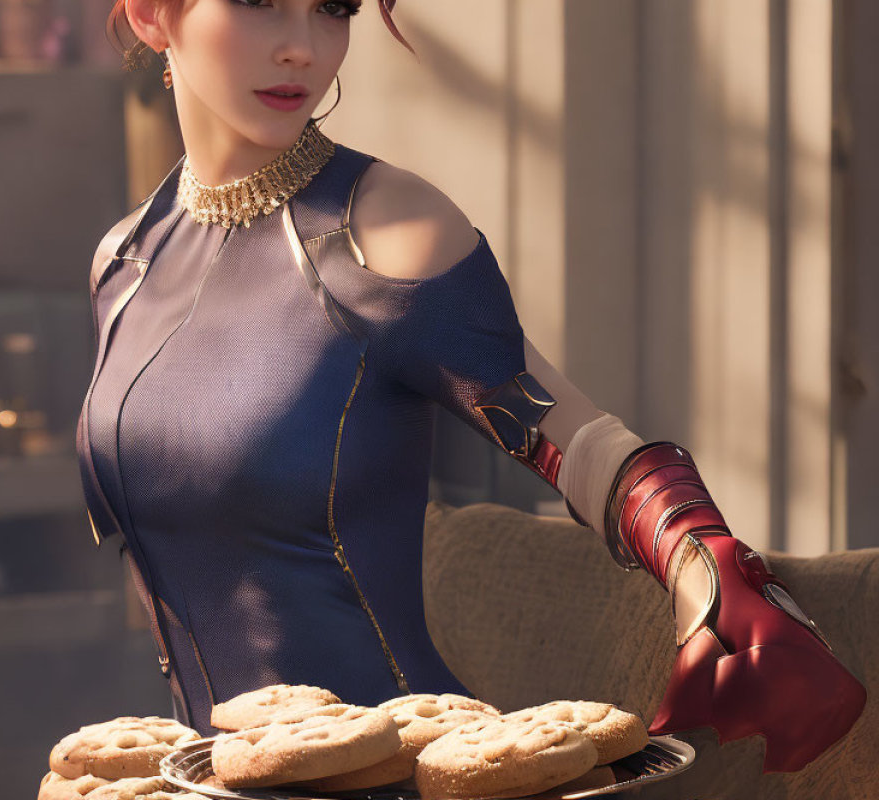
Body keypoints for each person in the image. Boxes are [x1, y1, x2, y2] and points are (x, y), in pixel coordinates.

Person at [76, 0, 865, 775]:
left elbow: (573, 438)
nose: (302, 48)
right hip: (204, 778)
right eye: (259, 3)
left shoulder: (385, 232)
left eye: (333, 8)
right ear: (151, 15)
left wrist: (712, 566)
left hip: (397, 777)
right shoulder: (124, 263)